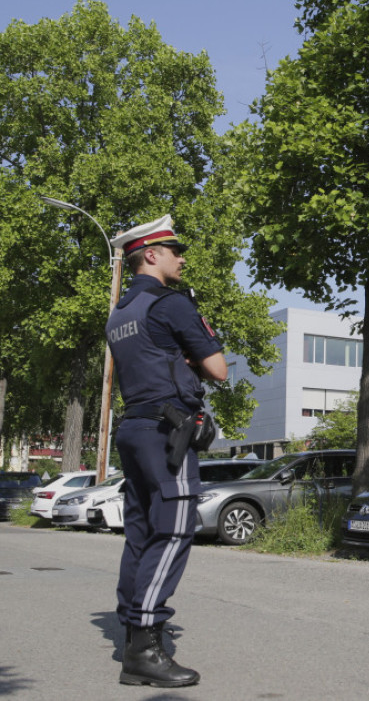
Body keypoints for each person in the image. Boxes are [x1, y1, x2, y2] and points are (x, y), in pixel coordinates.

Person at [106, 215, 227, 687]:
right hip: (167, 430)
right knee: (174, 529)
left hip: (134, 427)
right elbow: (217, 368)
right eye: (174, 251)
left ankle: (132, 632)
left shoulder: (119, 313)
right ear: (150, 255)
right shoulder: (170, 304)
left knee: (140, 531)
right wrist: (194, 354)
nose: (181, 258)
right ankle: (146, 646)